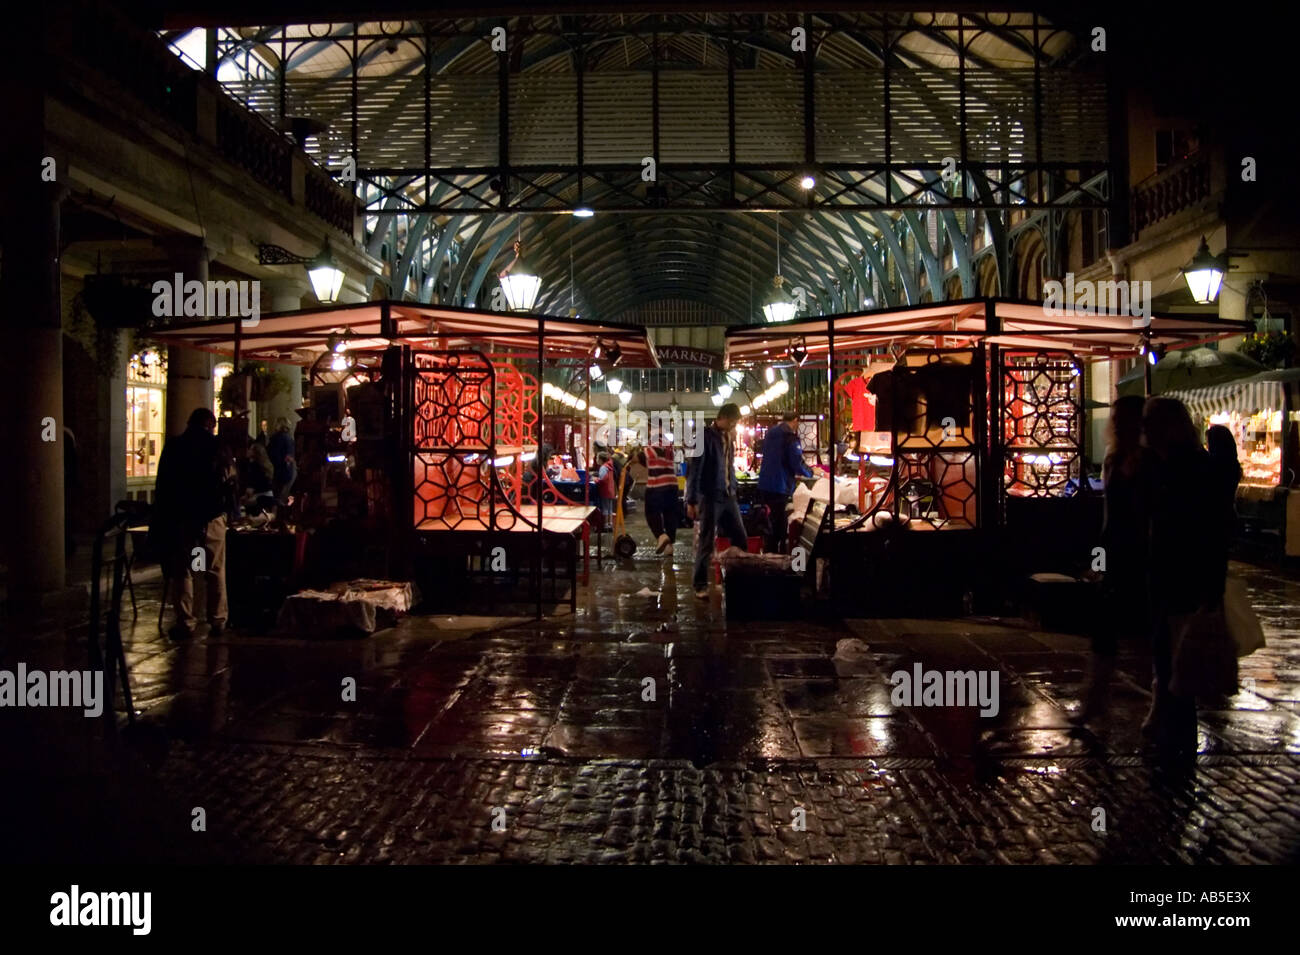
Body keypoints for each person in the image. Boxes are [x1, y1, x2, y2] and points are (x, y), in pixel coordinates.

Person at [1141, 397, 1226, 754]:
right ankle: (1171, 730)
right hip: (1175, 578)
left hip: (1182, 578)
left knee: (1178, 657)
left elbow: (1208, 530)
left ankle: (1176, 742)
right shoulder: (1175, 466)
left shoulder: (1184, 470)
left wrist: (1212, 590)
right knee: (1169, 654)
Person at [1073, 395, 1150, 726]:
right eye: (1114, 417)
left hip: (1145, 557)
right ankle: (1095, 699)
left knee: (1148, 634)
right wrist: (1099, 561)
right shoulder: (1114, 459)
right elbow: (1109, 520)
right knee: (1105, 631)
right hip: (1120, 554)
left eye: (1121, 417)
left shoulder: (1149, 462)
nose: (1115, 423)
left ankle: (1160, 701)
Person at [152, 408, 236, 640]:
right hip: (211, 516)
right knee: (215, 569)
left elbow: (164, 485)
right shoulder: (218, 446)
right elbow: (229, 481)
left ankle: (186, 620)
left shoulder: (174, 446)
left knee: (183, 570)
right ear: (210, 424)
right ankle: (217, 619)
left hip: (183, 517)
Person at [686, 403, 747, 599]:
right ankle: (700, 584)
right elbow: (695, 470)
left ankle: (736, 577)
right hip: (711, 496)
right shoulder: (704, 437)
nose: (734, 425)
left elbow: (729, 465)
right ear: (724, 418)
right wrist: (692, 500)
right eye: (733, 421)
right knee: (706, 541)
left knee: (740, 537)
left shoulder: (729, 437)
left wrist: (734, 486)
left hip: (729, 495)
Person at [757, 411, 813, 552]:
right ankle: (776, 558)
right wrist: (811, 472)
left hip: (765, 484)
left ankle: (770, 553)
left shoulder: (771, 433)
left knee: (771, 521)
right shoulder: (790, 437)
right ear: (795, 420)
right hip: (779, 486)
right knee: (779, 525)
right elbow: (797, 463)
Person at [638, 436, 680, 555]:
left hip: (657, 486)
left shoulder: (655, 443)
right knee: (670, 516)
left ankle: (661, 536)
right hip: (672, 484)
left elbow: (646, 455)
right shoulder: (669, 445)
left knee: (651, 513)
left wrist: (634, 457)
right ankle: (669, 547)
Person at [267, 417, 297, 505]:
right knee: (281, 495)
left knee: (276, 495)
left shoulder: (275, 438)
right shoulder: (288, 438)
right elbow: (289, 456)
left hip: (277, 471)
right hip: (285, 471)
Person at [595, 452, 617, 523]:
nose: (596, 460)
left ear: (601, 459)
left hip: (605, 490)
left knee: (605, 508)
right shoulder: (609, 466)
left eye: (597, 458)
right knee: (610, 508)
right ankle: (610, 523)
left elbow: (602, 479)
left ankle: (606, 524)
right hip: (610, 490)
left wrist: (595, 480)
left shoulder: (603, 467)